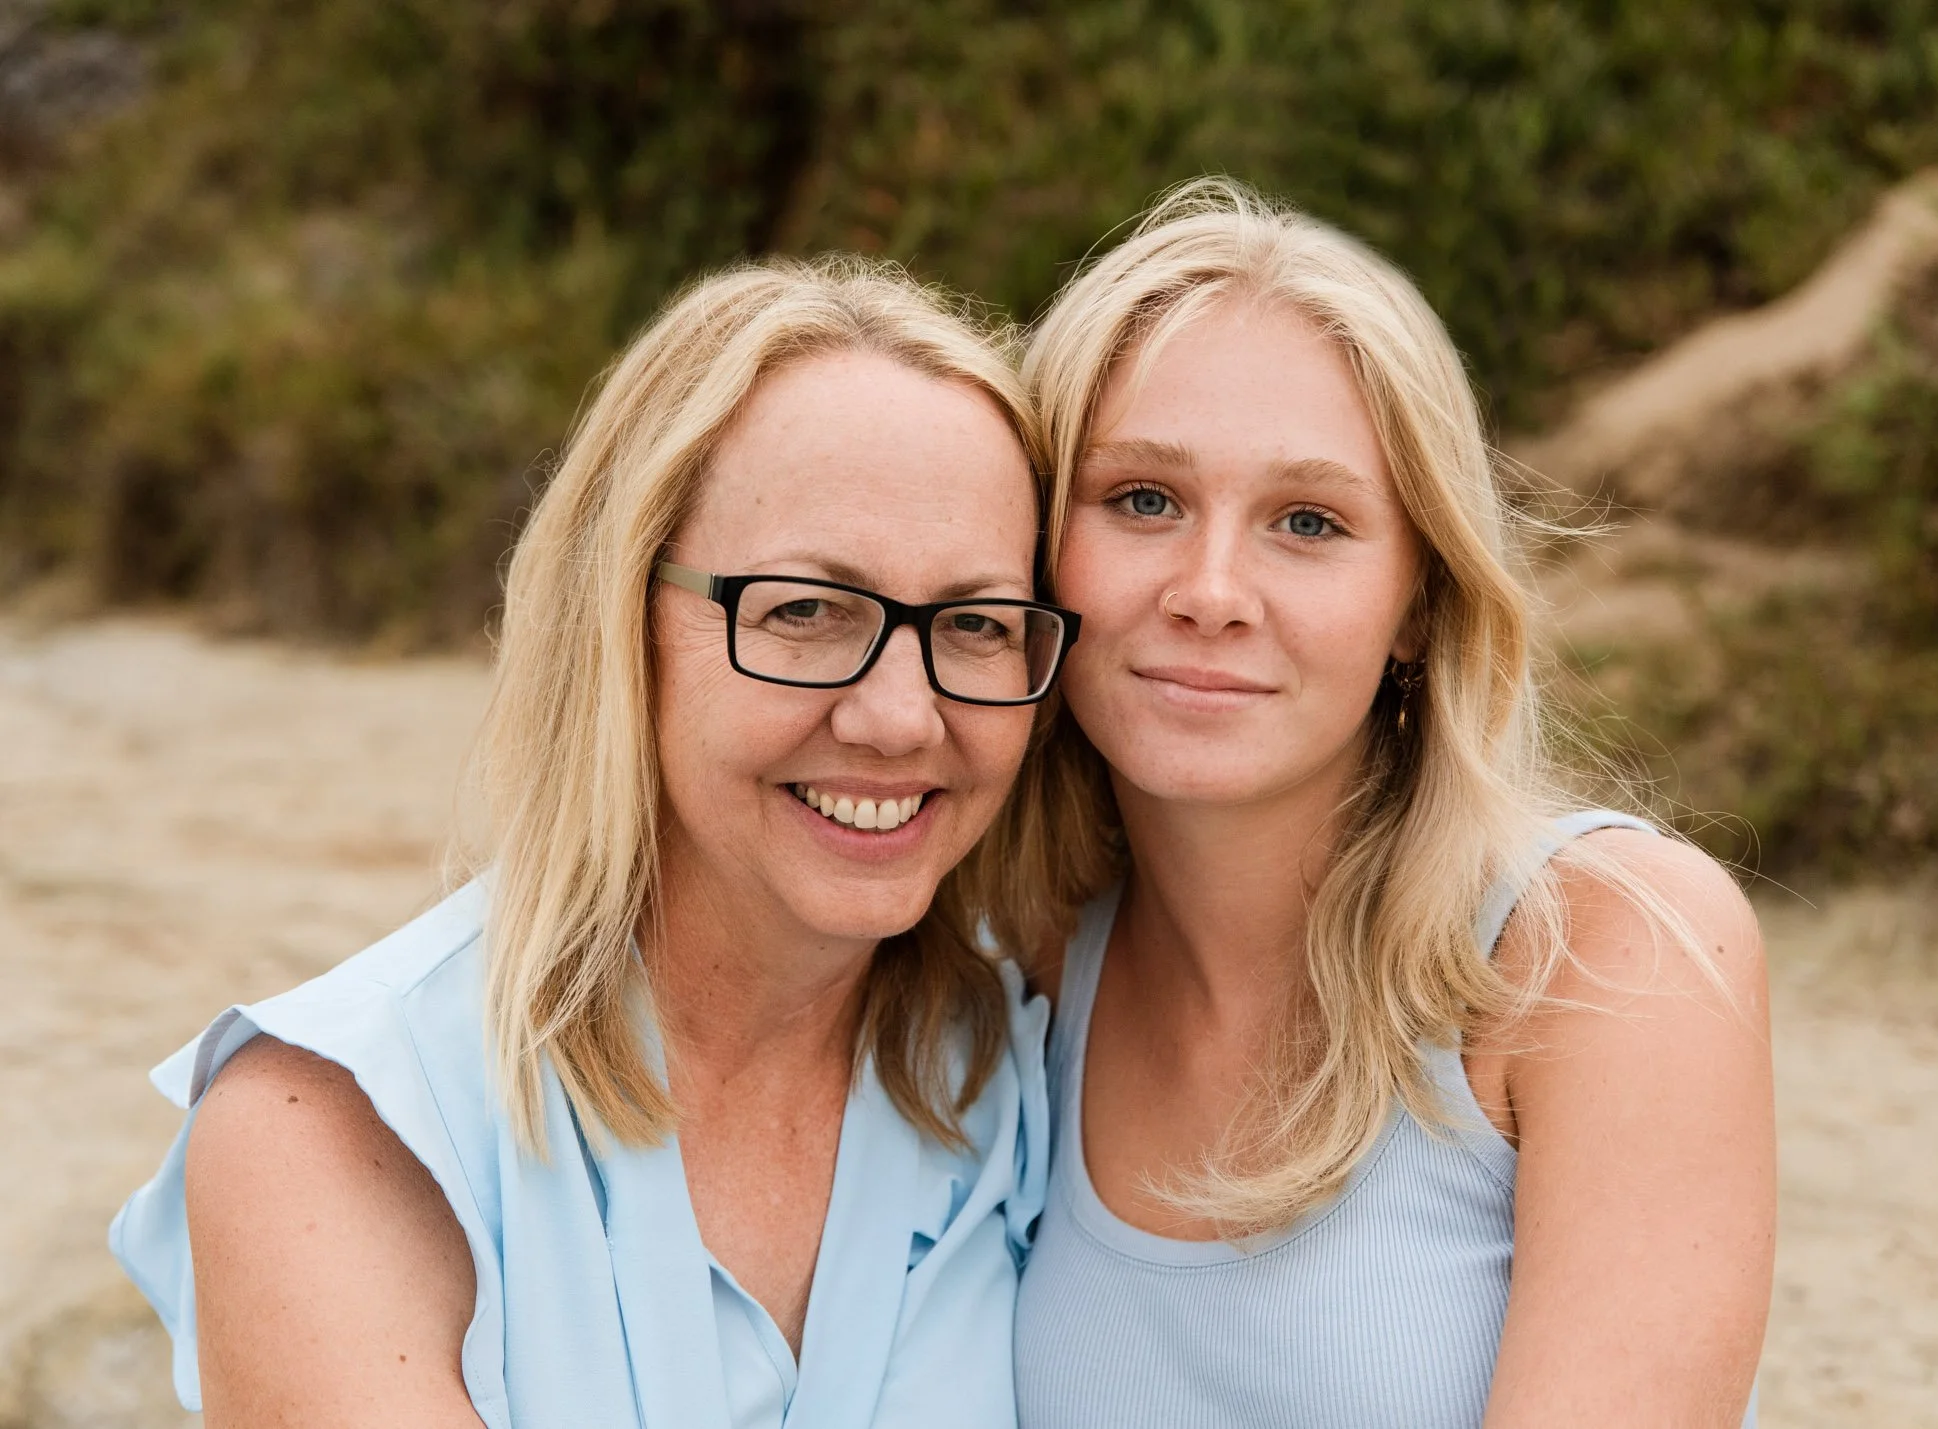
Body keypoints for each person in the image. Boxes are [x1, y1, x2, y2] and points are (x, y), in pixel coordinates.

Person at [111, 256, 1077, 1429]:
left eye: (974, 623)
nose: (897, 718)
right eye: (804, 611)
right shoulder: (329, 1134)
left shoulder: (1013, 1073)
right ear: (624, 621)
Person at [1002, 181, 1774, 1427]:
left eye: (1307, 522)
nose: (1210, 589)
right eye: (1141, 498)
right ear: (1036, 549)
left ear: (1418, 600)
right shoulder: (1018, 969)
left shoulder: (1600, 948)